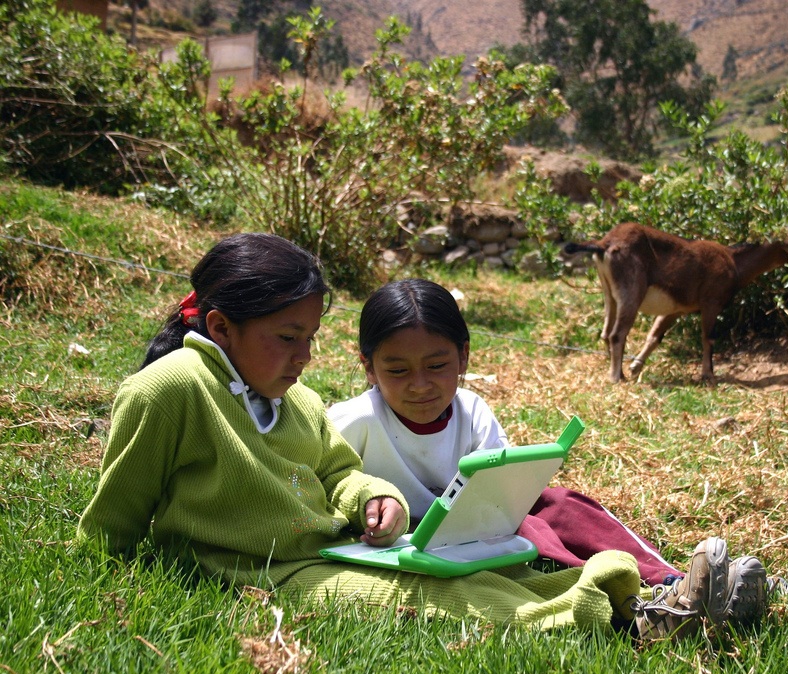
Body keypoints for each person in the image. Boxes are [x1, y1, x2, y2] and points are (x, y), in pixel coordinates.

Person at [74, 233, 738, 641]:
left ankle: (641, 595)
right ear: (221, 327)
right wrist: (104, 587)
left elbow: (338, 470)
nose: (304, 356)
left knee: (492, 577)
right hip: (264, 572)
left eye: (309, 338)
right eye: (287, 338)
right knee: (430, 599)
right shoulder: (173, 389)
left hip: (331, 552)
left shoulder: (294, 399)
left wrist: (370, 498)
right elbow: (113, 517)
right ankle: (629, 619)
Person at [326, 278, 774, 633]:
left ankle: (673, 580)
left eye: (437, 365)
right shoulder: (353, 421)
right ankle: (643, 601)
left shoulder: (472, 410)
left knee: (557, 503)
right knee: (535, 523)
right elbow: (320, 481)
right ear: (368, 366)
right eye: (397, 370)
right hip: (405, 550)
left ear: (463, 356)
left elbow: (501, 494)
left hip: (474, 535)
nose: (420, 384)